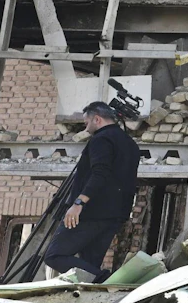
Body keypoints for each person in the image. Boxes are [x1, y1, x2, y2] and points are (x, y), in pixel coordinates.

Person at [42, 100, 141, 282]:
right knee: (89, 265)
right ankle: (90, 299)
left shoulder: (101, 139)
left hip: (91, 212)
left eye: (87, 123)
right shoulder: (130, 144)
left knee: (54, 256)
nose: (86, 129)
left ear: (97, 119)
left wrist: (79, 203)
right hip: (115, 214)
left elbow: (100, 173)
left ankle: (104, 281)